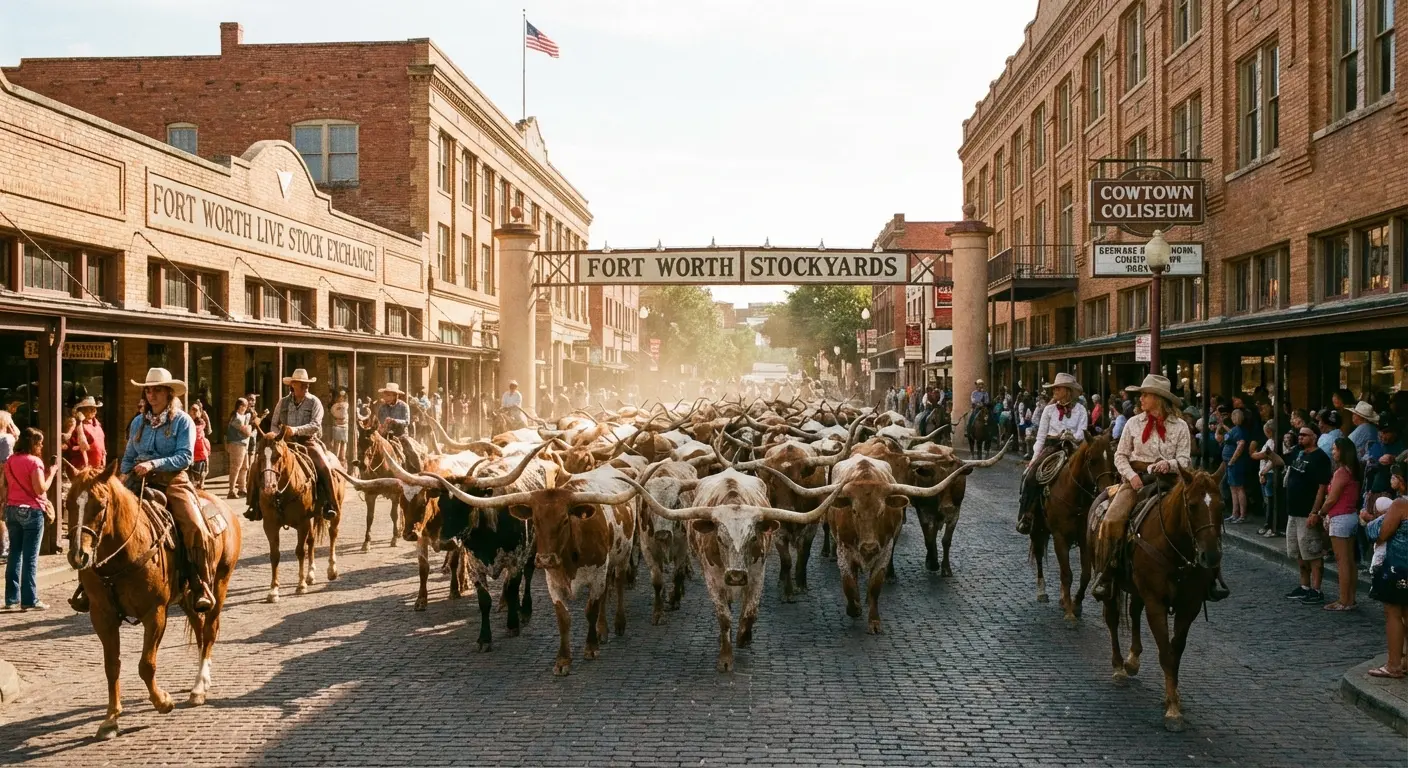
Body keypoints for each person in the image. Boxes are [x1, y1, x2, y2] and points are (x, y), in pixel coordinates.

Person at [1090, 375, 1224, 601]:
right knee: (1112, 519)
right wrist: (1131, 476)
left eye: (1145, 395)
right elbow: (1120, 456)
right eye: (1141, 395)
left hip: (1171, 481)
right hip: (1138, 480)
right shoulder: (1133, 423)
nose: (1140, 399)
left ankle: (1211, 576)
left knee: (1203, 518)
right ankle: (1108, 571)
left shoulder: (1180, 426)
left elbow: (1185, 460)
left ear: (1159, 399)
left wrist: (1168, 464)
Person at [114, 368, 214, 613]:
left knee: (194, 525)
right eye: (148, 389)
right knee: (106, 516)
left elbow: (185, 457)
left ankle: (199, 581)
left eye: (157, 389)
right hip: (137, 479)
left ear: (170, 393)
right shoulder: (139, 421)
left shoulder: (183, 421)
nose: (151, 394)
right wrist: (121, 478)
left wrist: (153, 463)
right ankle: (91, 584)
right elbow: (128, 457)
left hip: (172, 480)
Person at [249, 368, 336, 522]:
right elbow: (275, 424)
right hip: (284, 443)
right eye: (301, 384)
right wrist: (277, 437)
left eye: (306, 384)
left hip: (307, 441)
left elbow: (315, 425)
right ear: (293, 385)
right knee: (257, 465)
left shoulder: (314, 402)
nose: (305, 387)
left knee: (323, 465)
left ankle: (330, 503)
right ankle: (254, 504)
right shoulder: (283, 403)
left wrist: (295, 430)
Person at [1017, 372, 1087, 534]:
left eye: (1058, 388)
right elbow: (1041, 436)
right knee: (1030, 476)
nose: (1054, 391)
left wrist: (1072, 436)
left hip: (1074, 448)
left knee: (1091, 476)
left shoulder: (1081, 410)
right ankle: (1026, 515)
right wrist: (1035, 458)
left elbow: (1082, 433)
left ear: (1068, 390)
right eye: (1054, 388)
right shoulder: (1049, 410)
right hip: (1053, 447)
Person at [4, 428, 57, 610]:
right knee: (30, 557)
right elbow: (40, 489)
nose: (41, 446)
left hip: (12, 509)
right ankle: (29, 599)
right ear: (33, 444)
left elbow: (5, 485)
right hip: (31, 512)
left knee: (14, 554)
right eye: (39, 443)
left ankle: (11, 599)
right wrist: (52, 473)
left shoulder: (10, 461)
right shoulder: (34, 462)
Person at [1281, 424, 1333, 605]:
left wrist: (1315, 512)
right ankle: (1304, 586)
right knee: (1299, 553)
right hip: (1293, 512)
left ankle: (1316, 589)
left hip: (1307, 512)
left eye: (1304, 435)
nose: (1300, 437)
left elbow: (1322, 487)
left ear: (1314, 437)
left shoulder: (1320, 458)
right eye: (1299, 434)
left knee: (1313, 552)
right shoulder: (1298, 452)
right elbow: (1282, 460)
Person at [1363, 495, 1408, 678]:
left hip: (1400, 567)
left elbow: (1382, 534)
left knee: (1394, 613)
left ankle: (1394, 665)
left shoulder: (1401, 504)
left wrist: (1376, 520)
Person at [1321, 436, 1363, 611]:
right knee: (1349, 561)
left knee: (1342, 562)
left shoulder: (1341, 473)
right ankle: (1350, 598)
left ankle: (1344, 600)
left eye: (1335, 449)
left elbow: (1332, 499)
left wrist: (1320, 512)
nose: (1332, 452)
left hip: (1340, 517)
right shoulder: (1353, 470)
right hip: (1350, 516)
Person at [1251, 421, 1280, 538]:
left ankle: (1269, 525)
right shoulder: (1269, 441)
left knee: (1269, 501)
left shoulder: (1273, 443)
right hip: (1264, 473)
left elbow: (1270, 459)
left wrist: (1263, 472)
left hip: (1269, 473)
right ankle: (1267, 524)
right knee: (1266, 501)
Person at [62, 396, 106, 471]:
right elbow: (66, 443)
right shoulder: (74, 423)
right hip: (82, 469)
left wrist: (104, 456)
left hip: (99, 468)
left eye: (95, 408)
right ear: (81, 410)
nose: (94, 410)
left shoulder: (98, 424)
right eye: (90, 408)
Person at [1222, 408, 1251, 524]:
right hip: (1230, 462)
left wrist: (1233, 460)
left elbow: (1241, 445)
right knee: (1233, 488)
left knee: (1238, 488)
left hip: (1235, 463)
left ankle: (1242, 514)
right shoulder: (1235, 430)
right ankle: (1235, 513)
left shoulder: (1240, 431)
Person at [225, 398, 253, 499]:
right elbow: (247, 432)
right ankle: (231, 490)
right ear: (239, 406)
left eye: (245, 406)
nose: (244, 408)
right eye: (243, 406)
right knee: (236, 467)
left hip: (244, 444)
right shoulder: (236, 417)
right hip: (236, 444)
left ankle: (242, 488)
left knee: (245, 467)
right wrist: (249, 426)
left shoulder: (243, 416)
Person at [188, 402, 213, 489]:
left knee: (203, 471)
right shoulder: (187, 421)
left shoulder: (200, 422)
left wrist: (206, 417)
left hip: (201, 450)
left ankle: (201, 484)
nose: (194, 412)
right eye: (193, 409)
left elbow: (207, 431)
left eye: (196, 410)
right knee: (194, 474)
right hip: (192, 451)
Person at [329, 390, 349, 465]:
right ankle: (336, 456)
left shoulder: (347, 405)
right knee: (337, 442)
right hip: (337, 425)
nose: (341, 398)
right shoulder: (335, 406)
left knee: (344, 442)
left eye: (343, 397)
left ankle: (342, 457)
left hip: (345, 425)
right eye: (340, 397)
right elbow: (333, 413)